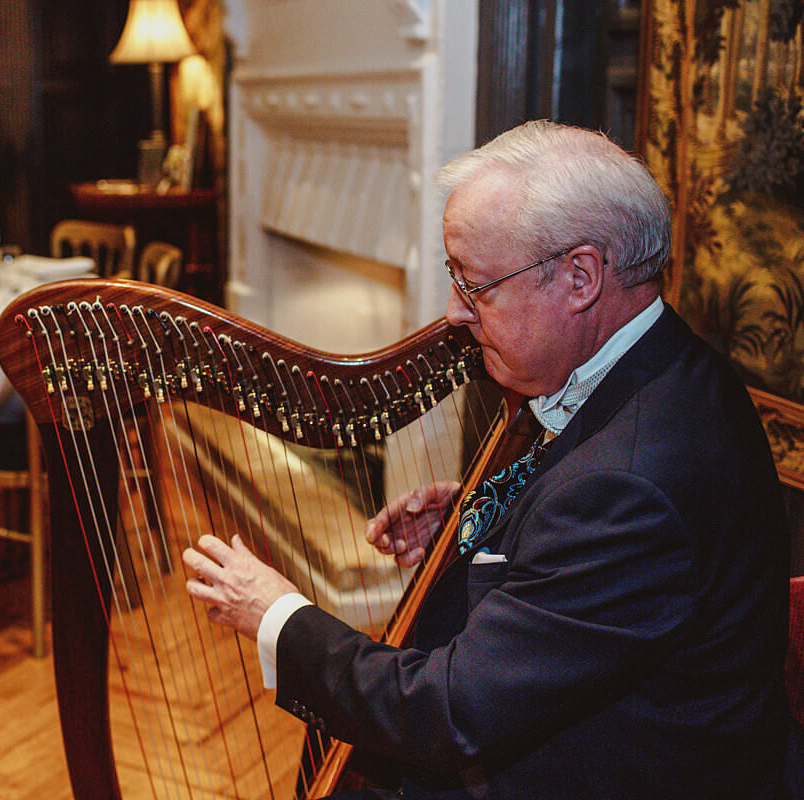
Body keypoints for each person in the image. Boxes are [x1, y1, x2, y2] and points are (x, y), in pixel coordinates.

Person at [182, 120, 792, 798]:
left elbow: (449, 715)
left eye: (476, 284)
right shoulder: (667, 365)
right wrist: (482, 522)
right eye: (454, 277)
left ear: (581, 277)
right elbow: (583, 528)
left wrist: (275, 614)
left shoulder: (628, 485)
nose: (453, 312)